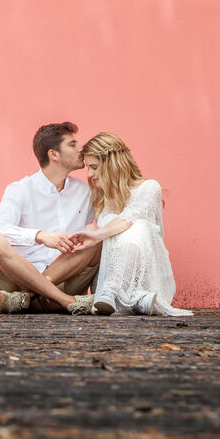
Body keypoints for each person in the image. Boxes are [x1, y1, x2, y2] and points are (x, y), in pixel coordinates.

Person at [68, 132, 192, 316]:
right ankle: (137, 300)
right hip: (105, 280)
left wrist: (98, 235)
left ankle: (118, 291)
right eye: (88, 167)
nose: (90, 174)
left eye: (94, 167)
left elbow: (129, 218)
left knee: (139, 226)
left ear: (112, 164)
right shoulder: (99, 198)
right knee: (107, 228)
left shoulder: (149, 188)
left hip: (146, 276)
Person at [0, 122, 99, 314]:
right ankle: (65, 301)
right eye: (72, 144)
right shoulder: (20, 190)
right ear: (53, 154)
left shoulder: (86, 191)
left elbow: (110, 222)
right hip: (18, 284)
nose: (81, 149)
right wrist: (40, 235)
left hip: (39, 292)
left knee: (94, 233)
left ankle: (31, 295)